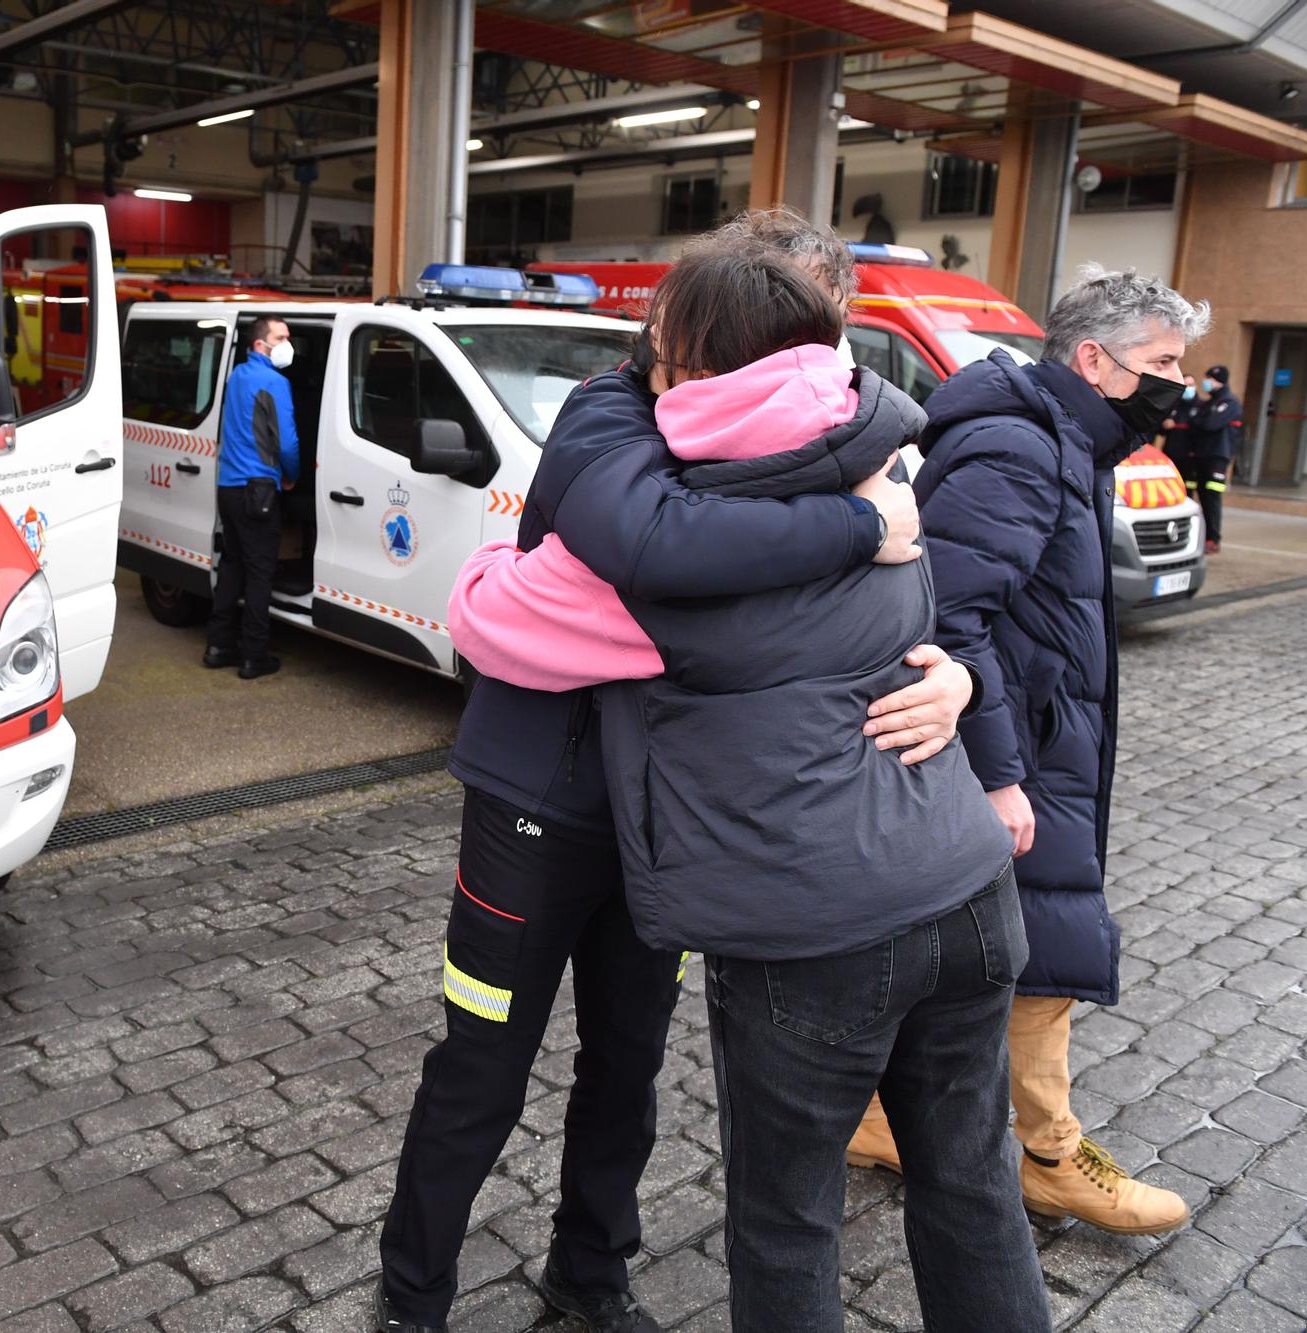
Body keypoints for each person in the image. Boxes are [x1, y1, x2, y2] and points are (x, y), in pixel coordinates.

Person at [374, 211, 961, 1333]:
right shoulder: (611, 413)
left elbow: (906, 593)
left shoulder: (806, 429)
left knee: (627, 1062)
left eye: (800, 332)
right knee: (481, 1066)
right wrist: (851, 523)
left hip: (671, 816)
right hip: (535, 807)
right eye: (747, 324)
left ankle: (589, 1276)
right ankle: (412, 1299)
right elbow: (657, 544)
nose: (775, 359)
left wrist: (957, 673)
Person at [848, 266, 1212, 1236]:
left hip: (1039, 741)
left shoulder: (1066, 440)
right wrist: (1003, 772)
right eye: (1162, 364)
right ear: (1092, 361)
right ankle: (1047, 1156)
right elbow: (947, 619)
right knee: (1044, 952)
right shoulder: (1018, 448)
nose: (1176, 383)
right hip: (1013, 755)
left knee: (997, 952)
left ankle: (884, 1117)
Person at [204, 316, 300, 679]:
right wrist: (292, 476)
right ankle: (254, 656)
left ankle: (218, 647)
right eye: (281, 337)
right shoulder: (274, 382)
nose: (288, 343)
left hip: (228, 487)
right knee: (260, 573)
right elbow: (287, 441)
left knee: (232, 566)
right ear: (262, 344)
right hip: (259, 489)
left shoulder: (237, 376)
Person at [1184, 363, 1243, 553]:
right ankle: (1200, 537)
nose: (1206, 383)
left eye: (1209, 379)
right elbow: (1194, 423)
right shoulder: (1209, 403)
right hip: (1201, 455)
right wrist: (1201, 422)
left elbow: (1209, 424)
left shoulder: (1229, 403)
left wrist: (1201, 422)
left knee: (1212, 498)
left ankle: (1213, 539)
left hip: (1217, 457)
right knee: (1198, 495)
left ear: (1218, 381)